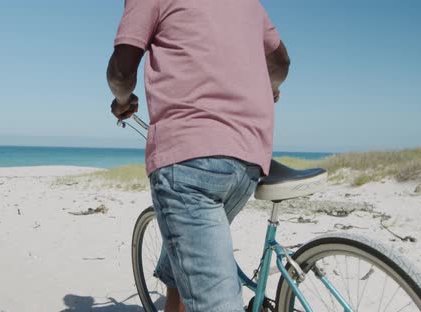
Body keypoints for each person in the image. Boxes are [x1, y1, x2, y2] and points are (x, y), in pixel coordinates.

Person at [106, 0, 290, 311]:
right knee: (186, 253)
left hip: (190, 161)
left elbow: (122, 72)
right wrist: (268, 87)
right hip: (247, 163)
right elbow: (281, 63)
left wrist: (122, 101)